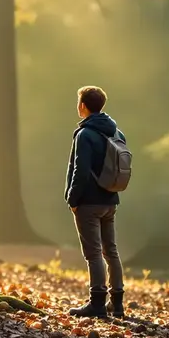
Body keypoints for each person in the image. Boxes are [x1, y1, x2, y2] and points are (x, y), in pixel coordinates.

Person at [65, 85, 126, 318]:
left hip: (88, 202)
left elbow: (80, 170)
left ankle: (97, 303)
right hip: (111, 200)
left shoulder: (85, 134)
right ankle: (117, 303)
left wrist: (73, 199)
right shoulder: (115, 132)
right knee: (111, 251)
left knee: (93, 253)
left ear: (83, 105)